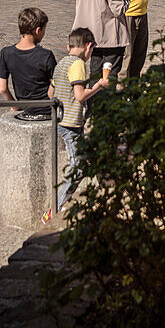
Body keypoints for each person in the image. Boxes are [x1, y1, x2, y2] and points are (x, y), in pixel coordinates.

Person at [49, 27, 109, 211]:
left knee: (81, 162)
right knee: (78, 167)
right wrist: (99, 85)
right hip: (70, 124)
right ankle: (55, 208)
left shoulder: (61, 64)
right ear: (88, 46)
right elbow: (80, 95)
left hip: (60, 120)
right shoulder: (78, 65)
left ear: (69, 46)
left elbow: (50, 92)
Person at [73, 0, 130, 84]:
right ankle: (107, 103)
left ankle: (93, 102)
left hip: (91, 37)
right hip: (111, 38)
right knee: (110, 75)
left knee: (95, 73)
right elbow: (118, 10)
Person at [0, 7, 56, 118]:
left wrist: (15, 105)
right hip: (46, 109)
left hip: (24, 108)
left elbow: (2, 88)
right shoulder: (46, 55)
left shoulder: (6, 53)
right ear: (38, 30)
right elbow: (54, 85)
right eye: (44, 30)